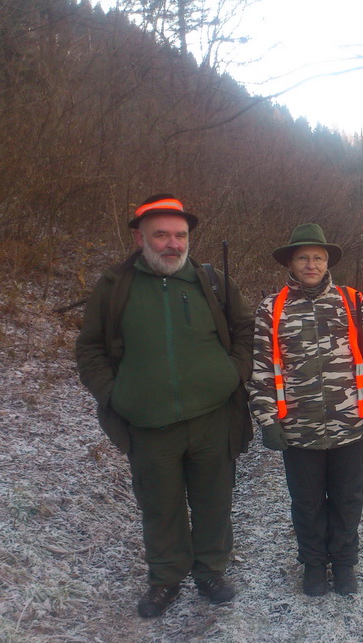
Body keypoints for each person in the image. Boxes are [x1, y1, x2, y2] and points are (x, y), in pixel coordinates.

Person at [75, 193, 254, 618]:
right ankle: (165, 578)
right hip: (148, 423)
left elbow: (247, 330)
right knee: (159, 506)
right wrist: (115, 394)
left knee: (214, 501)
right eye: (161, 235)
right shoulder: (114, 287)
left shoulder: (212, 282)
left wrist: (233, 372)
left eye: (180, 235)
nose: (173, 244)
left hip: (212, 417)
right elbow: (90, 349)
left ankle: (210, 571)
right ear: (140, 238)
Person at [248, 224, 363, 597]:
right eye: (303, 258)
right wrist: (267, 419)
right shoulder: (271, 308)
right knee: (307, 504)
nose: (311, 264)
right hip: (297, 429)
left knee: (348, 500)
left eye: (318, 258)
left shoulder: (351, 301)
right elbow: (261, 368)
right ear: (291, 263)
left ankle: (343, 564)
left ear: (328, 263)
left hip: (350, 425)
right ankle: (313, 565)